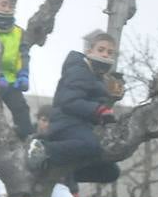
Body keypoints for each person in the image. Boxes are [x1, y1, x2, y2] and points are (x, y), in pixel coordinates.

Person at [27, 30, 121, 184]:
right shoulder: (78, 71)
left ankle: (65, 175)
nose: (105, 55)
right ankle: (43, 148)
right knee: (91, 146)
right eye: (101, 50)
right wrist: (99, 110)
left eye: (110, 53)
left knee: (111, 171)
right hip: (66, 123)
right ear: (89, 51)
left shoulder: (98, 78)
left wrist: (107, 110)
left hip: (84, 126)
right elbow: (69, 102)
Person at [0, 0, 34, 139]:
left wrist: (24, 75)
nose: (7, 9)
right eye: (4, 4)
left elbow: (23, 55)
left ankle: (24, 141)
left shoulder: (18, 32)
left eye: (11, 6)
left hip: (11, 81)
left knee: (22, 111)